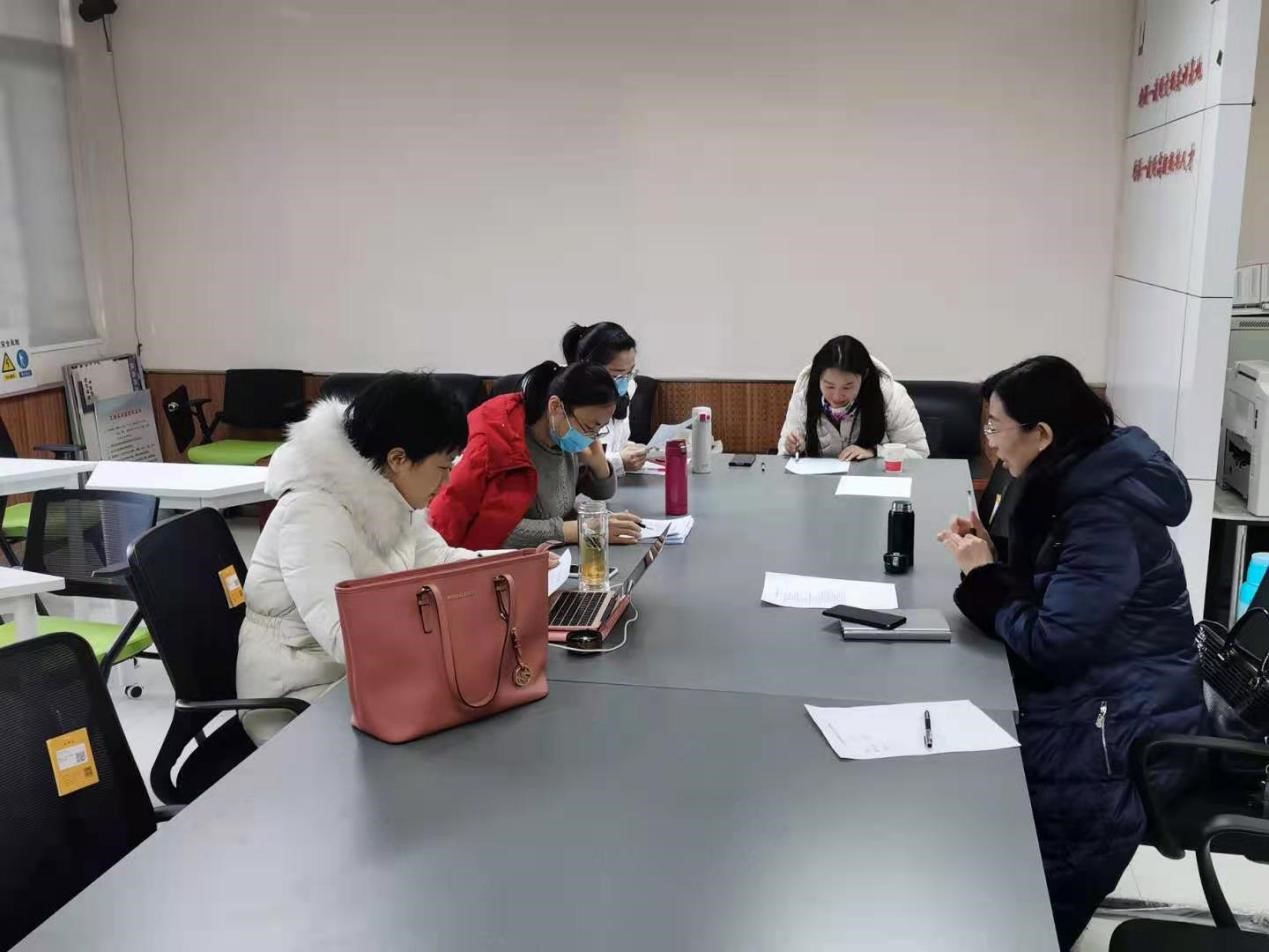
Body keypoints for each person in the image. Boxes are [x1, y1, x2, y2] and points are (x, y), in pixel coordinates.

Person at [937, 356, 1203, 950]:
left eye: (996, 427)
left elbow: (1054, 643)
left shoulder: (1103, 514)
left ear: (1042, 434)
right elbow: (1060, 599)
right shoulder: (1073, 484)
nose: (990, 442)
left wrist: (984, 580)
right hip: (1107, 688)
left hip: (1124, 719)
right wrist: (994, 562)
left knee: (1016, 823)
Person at [236, 373, 477, 744]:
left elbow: (441, 559)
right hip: (298, 697)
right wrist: (443, 637)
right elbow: (342, 635)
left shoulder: (393, 497)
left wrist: (523, 567)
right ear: (398, 459)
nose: (446, 482)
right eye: (443, 467)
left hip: (361, 678)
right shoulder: (312, 512)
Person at [430, 360, 643, 549]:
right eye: (589, 427)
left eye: (599, 429)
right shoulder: (502, 445)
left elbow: (598, 493)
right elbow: (491, 531)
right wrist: (578, 529)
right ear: (555, 407)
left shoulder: (562, 434)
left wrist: (599, 465)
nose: (592, 436)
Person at [778, 335, 928, 460]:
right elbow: (783, 455)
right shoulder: (803, 396)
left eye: (847, 387)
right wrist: (792, 448)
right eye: (829, 386)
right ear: (818, 378)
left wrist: (876, 452)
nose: (837, 397)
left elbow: (918, 453)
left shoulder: (891, 395)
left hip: (874, 482)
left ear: (864, 376)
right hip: (818, 484)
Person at [562, 321, 647, 475]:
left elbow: (612, 442)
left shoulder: (626, 388)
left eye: (630, 372)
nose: (625, 381)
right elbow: (573, 464)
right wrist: (619, 462)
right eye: (616, 374)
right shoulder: (567, 398)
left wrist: (632, 449)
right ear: (589, 368)